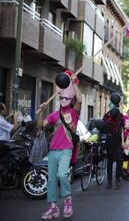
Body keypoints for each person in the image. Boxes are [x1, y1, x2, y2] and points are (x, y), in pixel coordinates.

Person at [38, 72, 81, 220]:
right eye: (61, 97)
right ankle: (53, 207)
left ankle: (68, 202)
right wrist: (41, 112)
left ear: (71, 100)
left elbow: (80, 99)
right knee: (51, 180)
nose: (63, 100)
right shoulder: (54, 115)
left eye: (66, 98)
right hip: (52, 151)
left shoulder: (74, 113)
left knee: (62, 175)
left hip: (66, 150)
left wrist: (73, 82)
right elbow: (41, 126)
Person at [103, 94, 125, 190]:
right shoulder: (107, 116)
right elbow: (104, 126)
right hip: (109, 140)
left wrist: (123, 142)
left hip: (118, 141)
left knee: (119, 160)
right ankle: (109, 181)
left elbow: (122, 130)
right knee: (110, 161)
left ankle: (118, 179)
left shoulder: (120, 116)